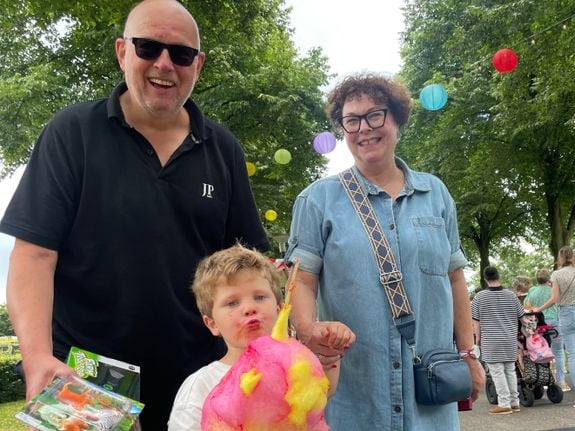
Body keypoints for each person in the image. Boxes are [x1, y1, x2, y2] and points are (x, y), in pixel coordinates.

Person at [0, 1, 270, 428]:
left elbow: (249, 266)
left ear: (197, 64)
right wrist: (36, 357)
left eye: (180, 54)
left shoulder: (224, 149)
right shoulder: (71, 133)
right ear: (123, 52)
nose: (164, 63)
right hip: (88, 379)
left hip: (200, 377)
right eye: (148, 47)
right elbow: (33, 255)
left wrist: (275, 345)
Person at [285, 73, 484, 430]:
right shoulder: (317, 200)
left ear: (397, 119)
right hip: (352, 393)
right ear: (342, 130)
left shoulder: (436, 194)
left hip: (429, 392)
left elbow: (455, 279)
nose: (364, 128)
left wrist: (469, 354)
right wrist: (308, 330)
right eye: (351, 120)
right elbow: (301, 279)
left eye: (375, 115)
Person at [167, 244, 354, 430]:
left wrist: (330, 349)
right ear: (212, 323)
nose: (249, 308)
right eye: (232, 303)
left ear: (280, 309)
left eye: (259, 297)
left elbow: (324, 391)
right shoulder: (201, 385)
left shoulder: (295, 364)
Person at [532, 246, 575, 405]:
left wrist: (539, 309)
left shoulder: (556, 274)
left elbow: (555, 298)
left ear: (560, 258)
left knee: (573, 355)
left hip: (567, 314)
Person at [471, 266, 524, 414]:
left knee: (497, 371)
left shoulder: (479, 297)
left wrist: (478, 339)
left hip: (491, 340)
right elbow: (522, 316)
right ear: (498, 276)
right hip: (509, 339)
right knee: (510, 370)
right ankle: (515, 402)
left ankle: (504, 404)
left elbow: (476, 322)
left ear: (485, 279)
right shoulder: (511, 295)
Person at [523, 269, 568, 391]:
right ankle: (561, 381)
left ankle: (543, 378)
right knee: (558, 352)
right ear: (548, 278)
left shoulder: (532, 292)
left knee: (539, 351)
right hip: (553, 323)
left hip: (537, 324)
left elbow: (526, 306)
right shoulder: (553, 290)